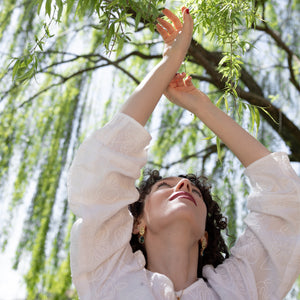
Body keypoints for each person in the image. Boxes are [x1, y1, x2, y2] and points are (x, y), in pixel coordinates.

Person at [68, 6, 300, 300]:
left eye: (196, 193)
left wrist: (201, 105)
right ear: (138, 222)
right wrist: (169, 62)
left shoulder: (240, 287)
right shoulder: (108, 275)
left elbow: (287, 200)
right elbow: (105, 166)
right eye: (164, 186)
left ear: (205, 234)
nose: (184, 185)